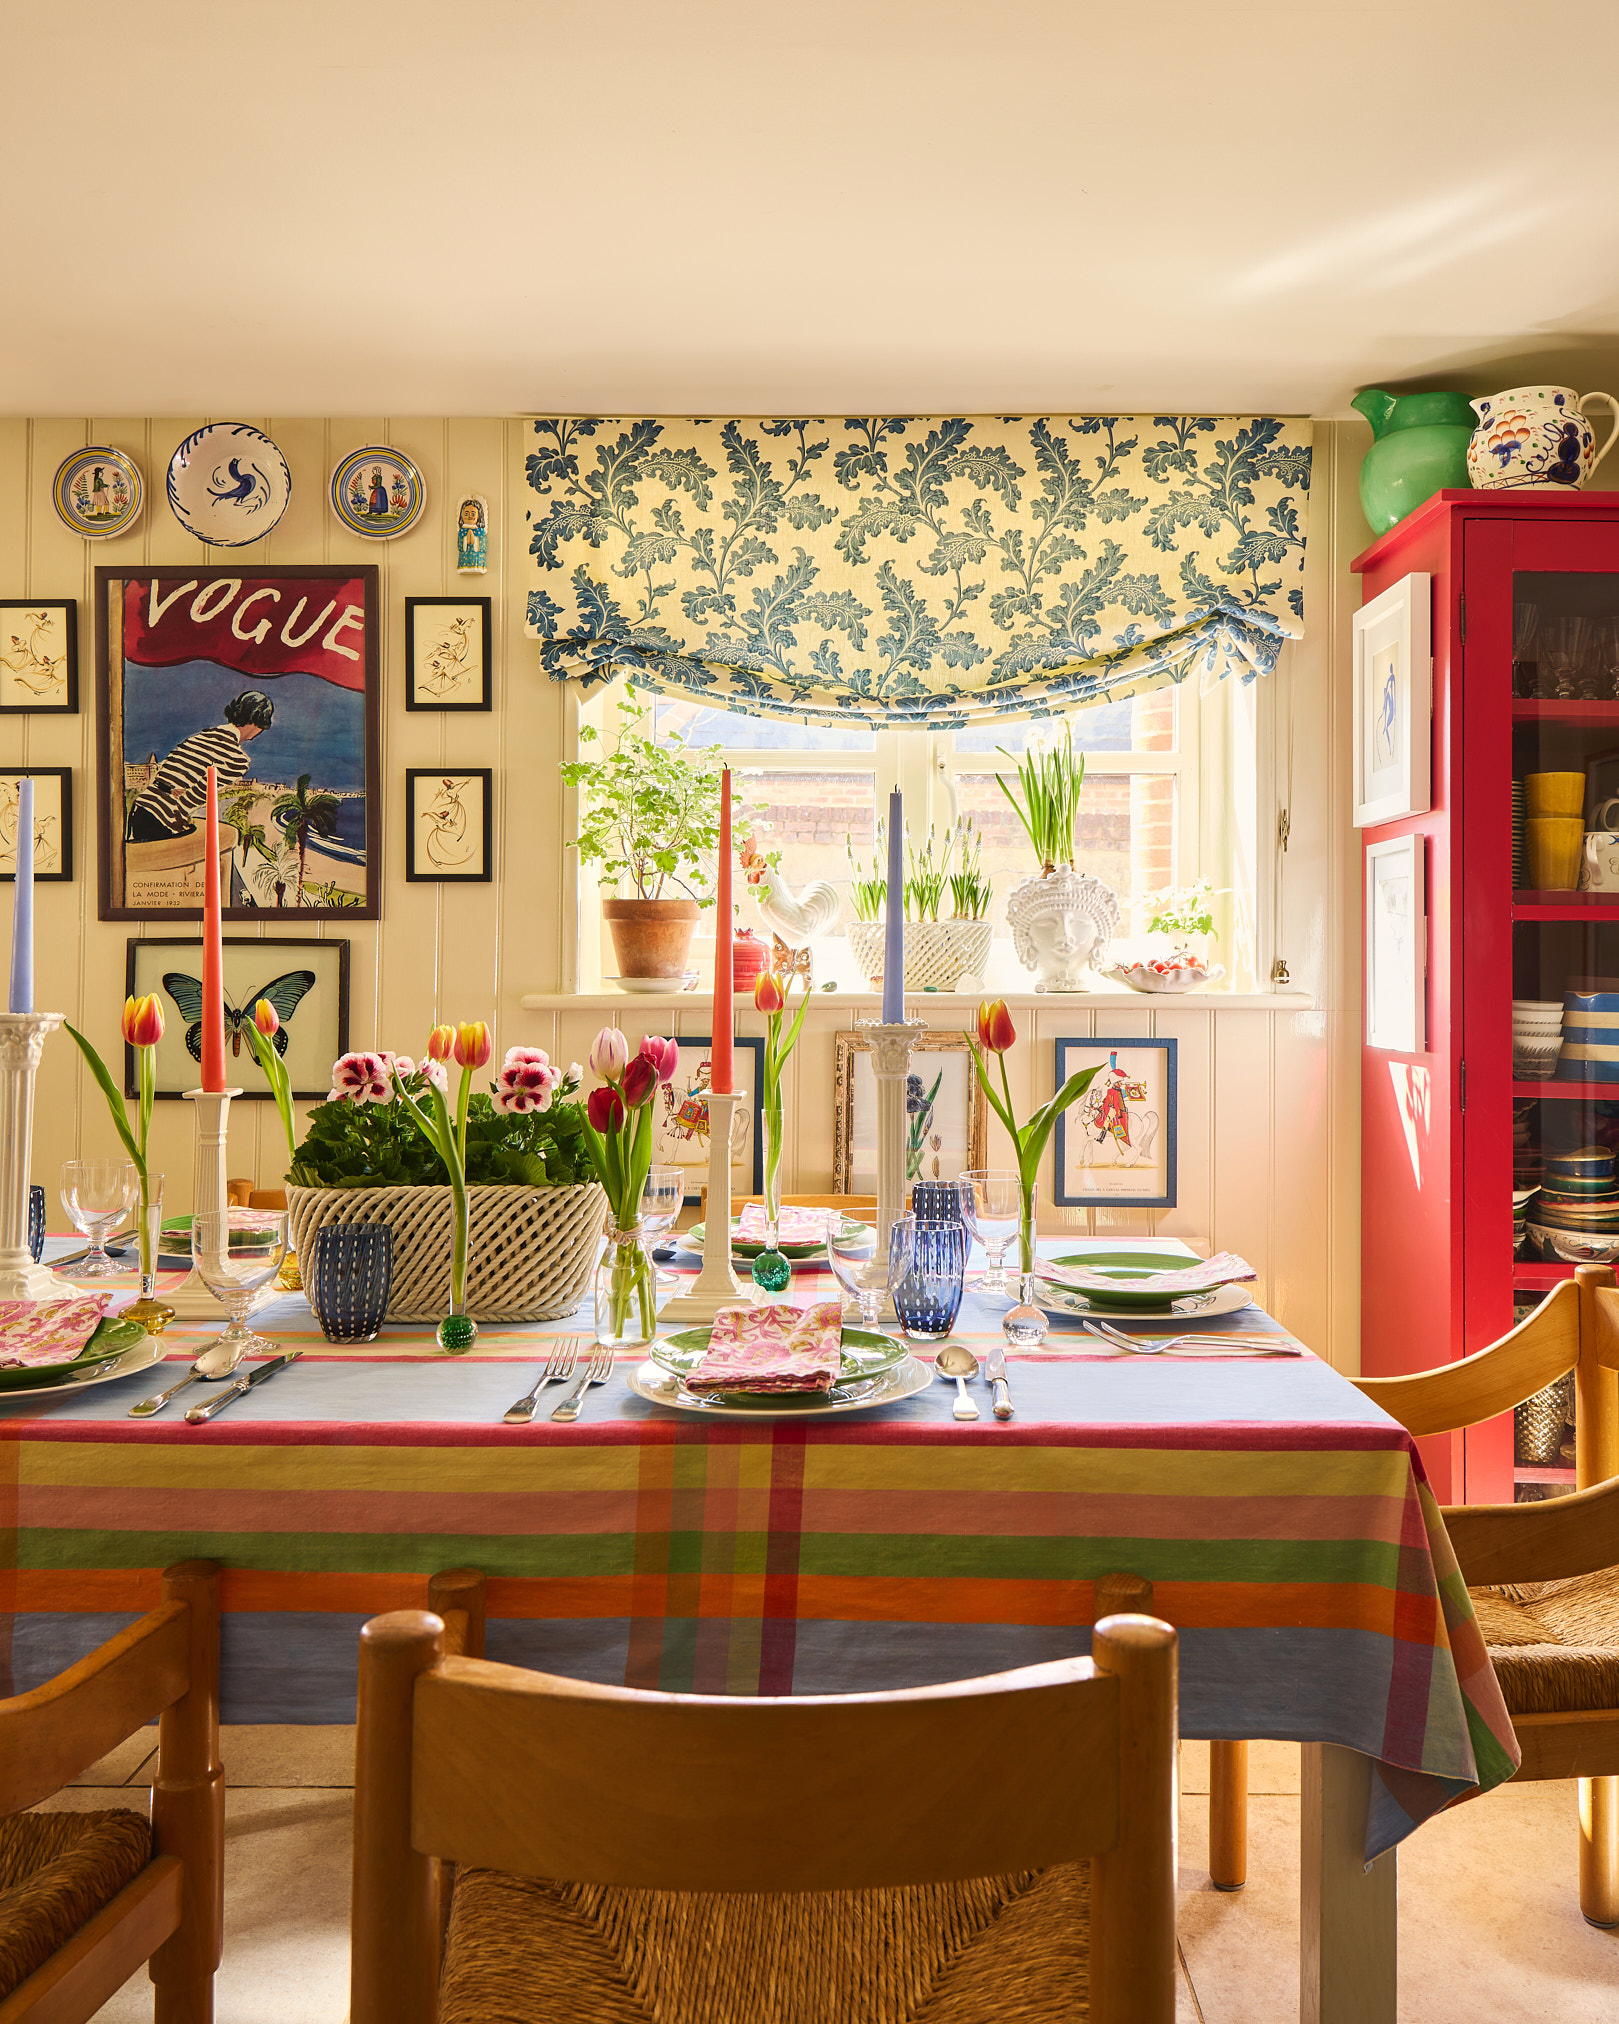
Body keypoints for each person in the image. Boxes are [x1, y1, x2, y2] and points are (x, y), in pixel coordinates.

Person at [126, 690, 274, 842]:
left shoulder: (202, 736)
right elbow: (194, 798)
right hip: (163, 818)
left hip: (141, 806)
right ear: (257, 722)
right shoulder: (237, 759)